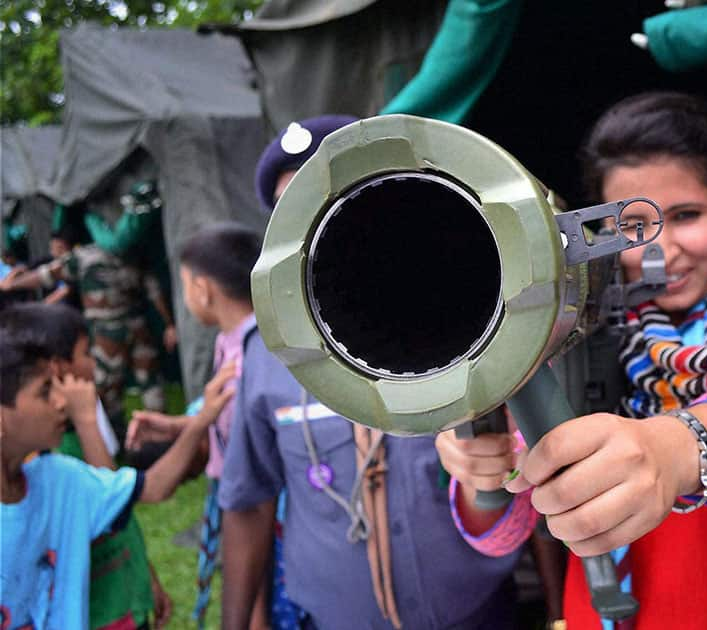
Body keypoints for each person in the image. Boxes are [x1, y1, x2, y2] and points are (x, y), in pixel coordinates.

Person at [437, 92, 707, 629]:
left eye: (688, 215)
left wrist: (671, 451)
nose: (661, 251)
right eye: (634, 227)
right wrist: (485, 470)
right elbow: (504, 530)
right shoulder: (572, 339)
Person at [219, 114, 523, 630]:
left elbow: (520, 462)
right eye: (296, 216)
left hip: (475, 611)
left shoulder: (474, 318)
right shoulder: (265, 354)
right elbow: (249, 500)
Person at [0, 331, 233, 629]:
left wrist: (201, 421)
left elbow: (152, 487)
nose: (61, 401)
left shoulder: (60, 478)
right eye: (45, 391)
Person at [125, 223, 277, 629]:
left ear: (204, 289)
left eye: (185, 285)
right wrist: (178, 424)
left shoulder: (259, 351)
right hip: (236, 496)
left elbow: (251, 434)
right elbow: (225, 417)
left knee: (258, 600)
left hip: (260, 509)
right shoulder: (229, 341)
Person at [0, 302, 172, 629]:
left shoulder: (82, 420)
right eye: (85, 354)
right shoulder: (44, 451)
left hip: (124, 600)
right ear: (57, 366)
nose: (94, 365)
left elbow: (116, 503)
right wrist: (85, 420)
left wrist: (144, 577)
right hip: (96, 611)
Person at [0, 206, 177, 439]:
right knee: (149, 382)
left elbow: (45, 276)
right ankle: (159, 434)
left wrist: (12, 285)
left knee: (106, 388)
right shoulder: (130, 253)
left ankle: (117, 439)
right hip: (137, 327)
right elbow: (154, 292)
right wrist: (168, 324)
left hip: (108, 333)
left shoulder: (84, 257)